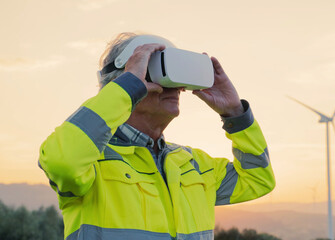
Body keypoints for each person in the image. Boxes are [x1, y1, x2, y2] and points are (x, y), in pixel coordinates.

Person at [38, 32, 275, 240]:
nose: (176, 87)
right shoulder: (93, 163)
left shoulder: (194, 165)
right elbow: (62, 161)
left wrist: (235, 113)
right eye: (158, 71)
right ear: (123, 81)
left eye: (177, 76)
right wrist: (126, 89)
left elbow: (258, 179)